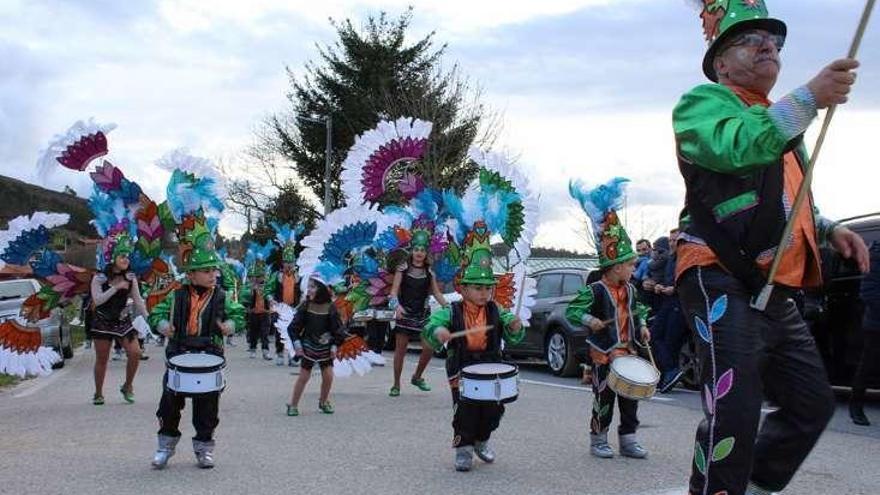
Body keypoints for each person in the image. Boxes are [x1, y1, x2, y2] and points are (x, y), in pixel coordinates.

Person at [673, 2, 869, 493]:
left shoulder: (780, 120)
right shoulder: (703, 103)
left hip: (771, 285)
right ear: (720, 61)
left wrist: (827, 229)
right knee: (734, 405)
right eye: (751, 39)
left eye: (775, 42)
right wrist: (808, 98)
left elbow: (787, 200)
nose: (768, 48)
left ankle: (756, 484)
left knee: (812, 403)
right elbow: (735, 146)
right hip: (715, 271)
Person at [423, 230, 524, 472]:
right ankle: (464, 448)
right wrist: (439, 332)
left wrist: (514, 324)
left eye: (487, 288)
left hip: (491, 364)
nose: (483, 293)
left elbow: (511, 325)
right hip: (462, 365)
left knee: (493, 409)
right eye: (478, 288)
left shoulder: (495, 309)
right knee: (466, 409)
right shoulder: (452, 310)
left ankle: (481, 440)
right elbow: (433, 324)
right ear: (464, 289)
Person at [567, 177, 651, 460]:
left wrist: (643, 326)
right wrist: (590, 319)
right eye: (630, 265)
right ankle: (598, 439)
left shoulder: (630, 289)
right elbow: (573, 311)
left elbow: (639, 311)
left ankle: (628, 439)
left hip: (628, 350)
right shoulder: (595, 289)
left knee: (631, 399)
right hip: (603, 355)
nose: (633, 269)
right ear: (615, 267)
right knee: (604, 398)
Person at [149, 221, 244, 469]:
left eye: (214, 270)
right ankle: (164, 448)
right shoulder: (176, 295)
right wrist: (161, 325)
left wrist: (230, 326)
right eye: (206, 271)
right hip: (179, 353)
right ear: (191, 274)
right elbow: (156, 313)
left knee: (207, 411)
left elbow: (239, 315)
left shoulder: (222, 297)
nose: (213, 274)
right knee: (168, 407)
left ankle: (204, 449)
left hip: (209, 355)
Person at [387, 229, 449, 397]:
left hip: (422, 315)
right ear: (412, 251)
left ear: (426, 252)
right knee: (400, 350)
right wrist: (396, 306)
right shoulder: (402, 269)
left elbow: (436, 293)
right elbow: (393, 292)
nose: (419, 253)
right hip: (404, 315)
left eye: (422, 250)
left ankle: (417, 377)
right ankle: (396, 384)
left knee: (430, 345)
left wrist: (447, 306)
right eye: (416, 249)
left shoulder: (430, 273)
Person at [89, 233, 146, 405]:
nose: (126, 259)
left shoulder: (130, 277)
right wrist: (115, 287)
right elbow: (97, 300)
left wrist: (150, 319)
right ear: (113, 258)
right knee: (102, 358)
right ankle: (98, 393)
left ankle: (127, 386)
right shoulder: (100, 278)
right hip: (102, 320)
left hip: (122, 320)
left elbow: (138, 300)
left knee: (135, 353)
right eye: (122, 256)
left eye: (128, 256)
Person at [285, 277, 347, 416]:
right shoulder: (306, 305)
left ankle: (323, 401)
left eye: (313, 287)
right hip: (308, 345)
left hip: (325, 346)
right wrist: (297, 345)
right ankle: (293, 404)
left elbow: (338, 330)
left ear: (321, 289)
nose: (309, 290)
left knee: (328, 376)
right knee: (304, 376)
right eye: (309, 286)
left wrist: (334, 346)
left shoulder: (331, 307)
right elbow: (293, 328)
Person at [649, 229, 688, 393]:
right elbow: (661, 278)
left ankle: (669, 373)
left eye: (675, 240)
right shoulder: (671, 259)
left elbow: (688, 282)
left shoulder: (685, 258)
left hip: (679, 304)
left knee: (669, 341)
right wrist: (657, 286)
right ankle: (668, 373)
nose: (672, 243)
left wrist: (675, 289)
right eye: (670, 240)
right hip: (667, 303)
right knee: (654, 336)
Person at [850, 241, 880, 425]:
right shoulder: (876, 255)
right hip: (876, 323)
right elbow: (868, 291)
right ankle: (856, 407)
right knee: (867, 366)